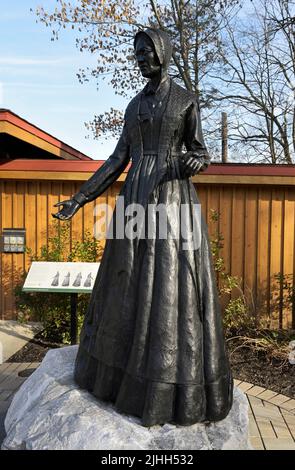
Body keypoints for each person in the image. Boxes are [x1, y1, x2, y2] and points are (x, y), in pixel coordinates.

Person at [53, 28, 233, 427]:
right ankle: (117, 378)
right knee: (126, 281)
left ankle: (168, 385)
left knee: (170, 285)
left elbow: (200, 151)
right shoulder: (133, 107)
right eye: (136, 53)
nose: (140, 59)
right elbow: (117, 159)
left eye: (146, 52)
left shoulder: (185, 101)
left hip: (172, 198)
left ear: (163, 53)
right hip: (134, 197)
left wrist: (193, 161)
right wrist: (81, 198)